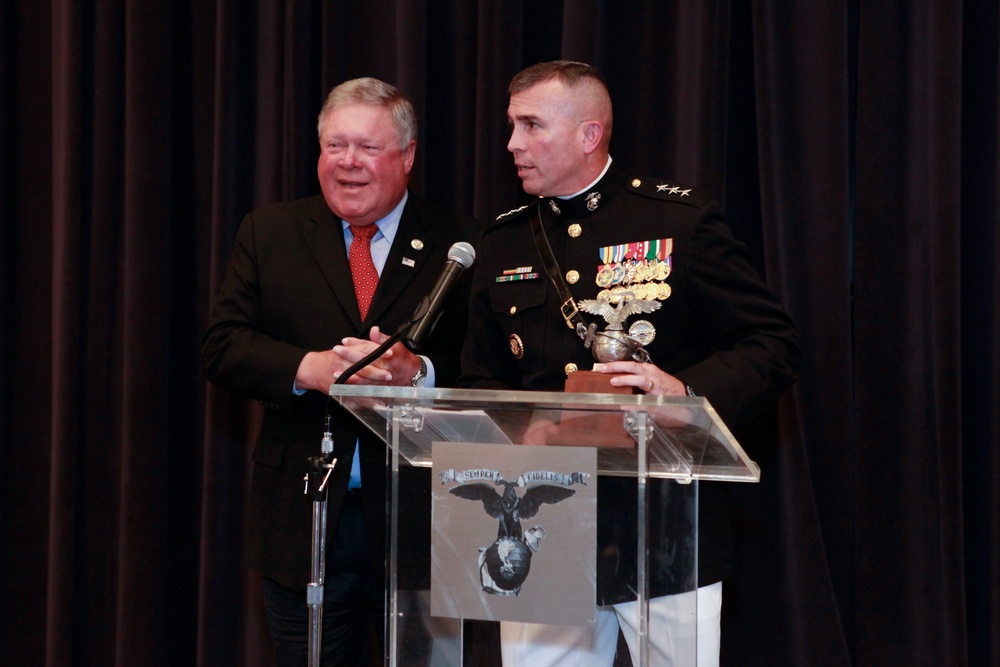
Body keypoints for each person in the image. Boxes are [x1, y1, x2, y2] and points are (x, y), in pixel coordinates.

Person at [460, 61, 801, 666]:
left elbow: (770, 344)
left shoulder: (677, 222)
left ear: (589, 135)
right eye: (512, 125)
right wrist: (517, 429)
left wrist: (685, 392)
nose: (512, 143)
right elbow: (483, 376)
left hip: (664, 518)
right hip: (547, 518)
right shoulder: (502, 243)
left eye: (531, 125)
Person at [202, 77, 478, 666]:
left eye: (367, 148)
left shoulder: (462, 243)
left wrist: (421, 372)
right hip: (302, 520)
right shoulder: (270, 232)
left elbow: (488, 367)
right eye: (334, 146)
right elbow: (222, 346)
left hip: (423, 523)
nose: (347, 163)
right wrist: (312, 368)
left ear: (406, 157)